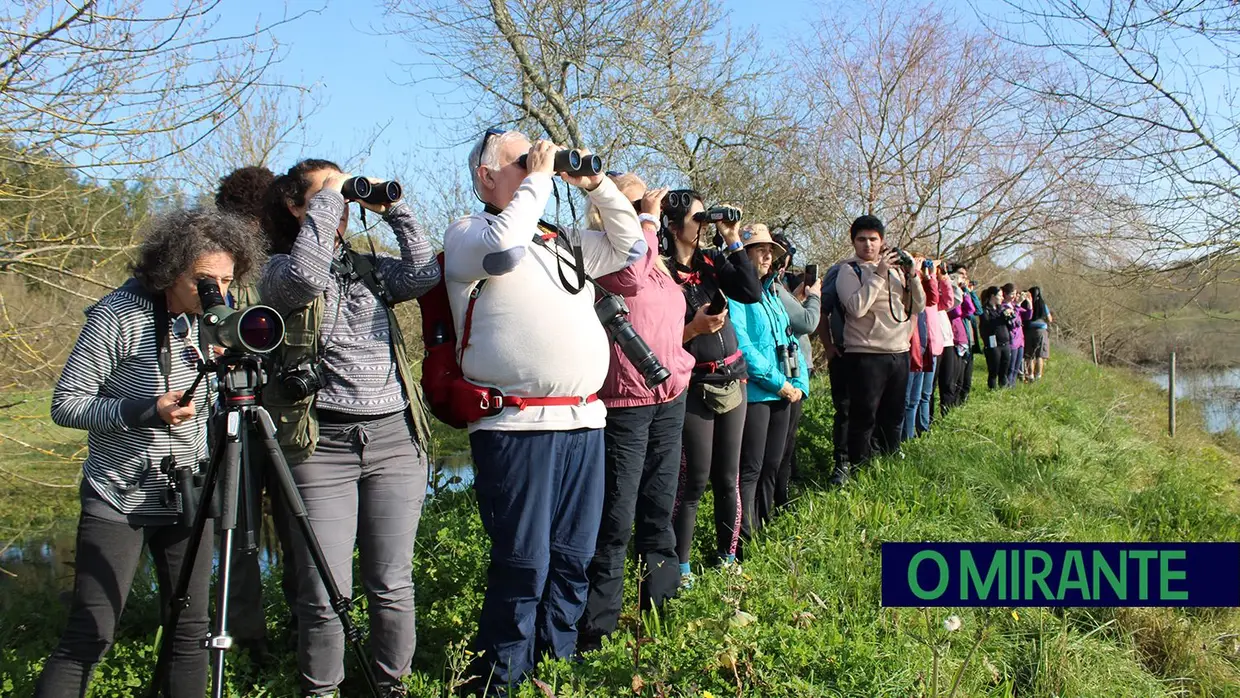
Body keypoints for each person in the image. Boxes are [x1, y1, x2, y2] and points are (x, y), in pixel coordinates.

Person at [35, 209, 266, 698]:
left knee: (191, 630)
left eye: (227, 281)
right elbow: (66, 404)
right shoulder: (118, 314)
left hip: (187, 490)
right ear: (170, 271)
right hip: (119, 493)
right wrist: (145, 410)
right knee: (92, 632)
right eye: (205, 282)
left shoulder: (210, 322)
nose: (218, 295)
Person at [444, 129, 644, 690]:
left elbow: (632, 247)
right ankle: (499, 680)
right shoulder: (468, 234)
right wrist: (537, 177)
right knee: (523, 565)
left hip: (583, 422)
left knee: (573, 558)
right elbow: (506, 250)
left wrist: (595, 184)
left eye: (541, 158)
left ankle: (556, 670)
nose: (540, 166)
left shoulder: (562, 241)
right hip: (517, 427)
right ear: (486, 176)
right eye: (522, 159)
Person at [259, 157, 440, 697]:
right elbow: (306, 276)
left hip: (392, 440)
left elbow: (426, 273)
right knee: (324, 592)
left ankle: (392, 687)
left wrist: (394, 209)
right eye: (322, 199)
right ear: (297, 207)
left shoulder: (369, 268)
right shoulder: (274, 270)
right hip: (323, 447)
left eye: (341, 201)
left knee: (391, 584)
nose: (338, 209)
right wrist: (333, 194)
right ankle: (323, 691)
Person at [579, 173, 694, 650]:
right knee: (616, 520)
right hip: (624, 402)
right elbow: (631, 271)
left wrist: (681, 370)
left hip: (668, 398)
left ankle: (660, 620)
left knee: (658, 510)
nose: (645, 211)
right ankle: (597, 634)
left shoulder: (659, 262)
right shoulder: (599, 253)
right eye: (629, 201)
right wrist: (642, 214)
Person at [212, 165, 299, 660]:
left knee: (248, 534)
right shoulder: (222, 273)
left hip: (272, 414)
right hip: (241, 417)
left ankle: (253, 639)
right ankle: (267, 636)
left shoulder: (278, 263)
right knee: (250, 532)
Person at [666, 189, 763, 582]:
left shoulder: (710, 260)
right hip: (695, 383)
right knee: (695, 480)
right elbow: (659, 336)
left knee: (728, 478)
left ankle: (728, 559)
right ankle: (683, 569)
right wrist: (693, 329)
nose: (704, 224)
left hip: (732, 377)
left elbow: (751, 291)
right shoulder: (662, 271)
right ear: (673, 226)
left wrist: (733, 238)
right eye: (698, 218)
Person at [731, 224, 809, 551]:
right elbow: (744, 349)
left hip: (785, 393)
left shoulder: (771, 293)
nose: (767, 256)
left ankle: (766, 527)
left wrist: (799, 383)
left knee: (773, 466)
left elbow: (791, 340)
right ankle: (744, 540)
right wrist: (780, 385)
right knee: (750, 469)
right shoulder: (735, 294)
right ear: (743, 255)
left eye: (770, 251)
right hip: (757, 395)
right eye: (760, 249)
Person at [834, 215, 926, 479]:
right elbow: (856, 308)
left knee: (894, 416)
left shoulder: (897, 271)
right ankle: (861, 473)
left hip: (898, 353)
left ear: (882, 241)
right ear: (853, 242)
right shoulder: (849, 270)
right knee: (864, 418)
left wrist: (912, 275)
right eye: (861, 239)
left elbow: (917, 306)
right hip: (865, 354)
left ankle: (888, 471)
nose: (868, 245)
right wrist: (879, 273)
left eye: (873, 239)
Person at [770, 233, 820, 509]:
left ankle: (782, 492)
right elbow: (808, 322)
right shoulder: (774, 289)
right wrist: (814, 298)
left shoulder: (780, 289)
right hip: (786, 374)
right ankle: (780, 498)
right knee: (783, 443)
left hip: (795, 371)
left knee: (787, 440)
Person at [902, 256, 939, 442]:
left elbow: (933, 298)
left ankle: (910, 439)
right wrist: (912, 271)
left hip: (923, 349)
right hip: (910, 349)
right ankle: (901, 441)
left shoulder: (919, 283)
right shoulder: (903, 282)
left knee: (915, 400)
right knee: (906, 400)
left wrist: (928, 275)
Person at [940, 271, 976, 412]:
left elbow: (971, 310)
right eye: (960, 277)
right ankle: (947, 409)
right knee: (951, 381)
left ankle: (956, 407)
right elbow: (957, 312)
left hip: (962, 341)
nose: (963, 280)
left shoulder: (960, 294)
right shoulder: (947, 298)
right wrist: (953, 287)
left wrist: (965, 291)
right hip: (953, 341)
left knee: (961, 380)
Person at [979, 286, 1015, 389]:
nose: (1002, 298)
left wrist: (1009, 318)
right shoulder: (985, 310)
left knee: (1004, 370)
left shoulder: (1001, 309)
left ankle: (1003, 390)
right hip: (993, 344)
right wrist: (1001, 318)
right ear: (993, 296)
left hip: (1005, 343)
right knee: (993, 370)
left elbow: (1008, 325)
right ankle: (992, 391)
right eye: (1000, 295)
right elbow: (988, 325)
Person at [1002, 283, 1029, 386]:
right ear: (1005, 294)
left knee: (1017, 367)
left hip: (1020, 340)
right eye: (1012, 293)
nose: (1014, 296)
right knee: (1011, 367)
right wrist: (1018, 304)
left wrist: (1028, 302)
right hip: (1012, 340)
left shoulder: (1013, 305)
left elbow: (1027, 315)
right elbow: (1012, 321)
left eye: (1015, 293)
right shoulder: (1004, 306)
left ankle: (1012, 386)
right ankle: (1007, 386)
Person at [1025, 286, 1054, 380]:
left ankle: (1030, 375)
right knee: (1040, 355)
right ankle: (1038, 376)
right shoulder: (1042, 304)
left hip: (1029, 330)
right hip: (1041, 331)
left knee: (1029, 355)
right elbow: (1050, 319)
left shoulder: (1026, 304)